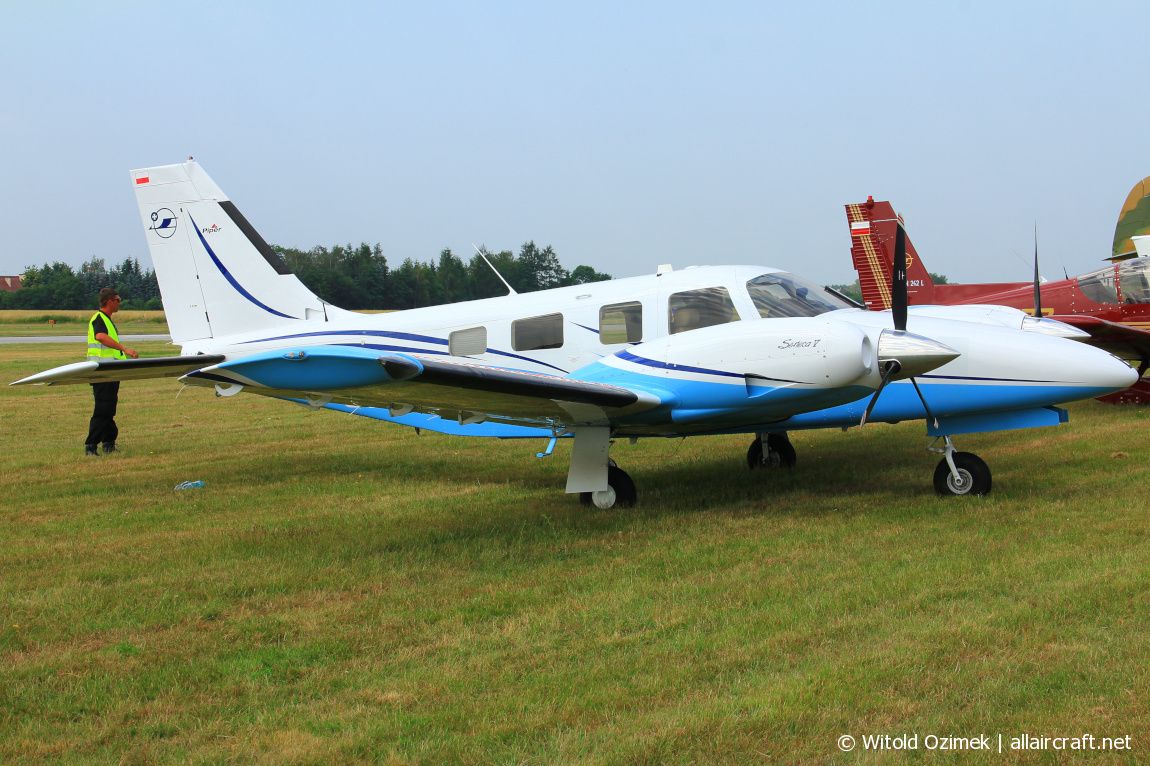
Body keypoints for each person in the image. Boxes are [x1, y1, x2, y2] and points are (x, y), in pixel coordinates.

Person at [85, 287, 138, 456]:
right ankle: (91, 445)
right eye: (118, 300)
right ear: (109, 301)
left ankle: (109, 443)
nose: (119, 303)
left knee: (109, 409)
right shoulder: (99, 318)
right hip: (102, 371)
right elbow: (100, 336)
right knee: (102, 409)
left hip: (111, 371)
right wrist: (125, 349)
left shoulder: (107, 319)